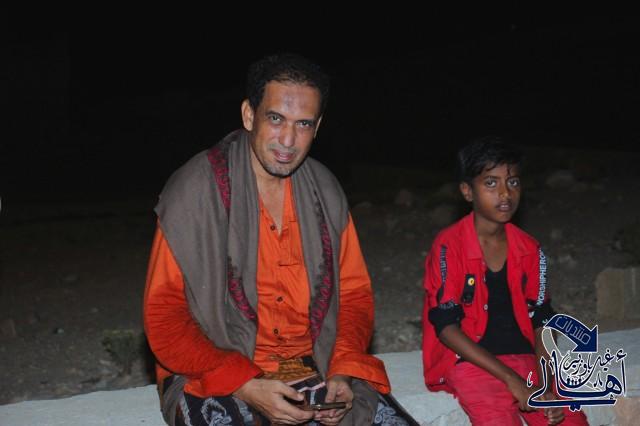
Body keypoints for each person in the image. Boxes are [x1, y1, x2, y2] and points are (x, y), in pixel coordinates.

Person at [143, 53, 417, 426]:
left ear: (318, 127)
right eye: (276, 119)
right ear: (249, 115)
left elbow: (354, 294)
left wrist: (342, 370)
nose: (288, 140)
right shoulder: (194, 191)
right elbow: (164, 316)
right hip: (216, 369)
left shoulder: (324, 191)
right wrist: (244, 382)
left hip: (315, 362)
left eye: (303, 124)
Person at [421, 137, 588, 425]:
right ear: (467, 191)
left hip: (527, 360)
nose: (505, 193)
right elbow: (447, 328)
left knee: (569, 419)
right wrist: (512, 380)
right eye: (491, 183)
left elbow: (543, 321)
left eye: (512, 182)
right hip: (471, 362)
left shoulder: (529, 248)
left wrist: (545, 384)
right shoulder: (450, 246)